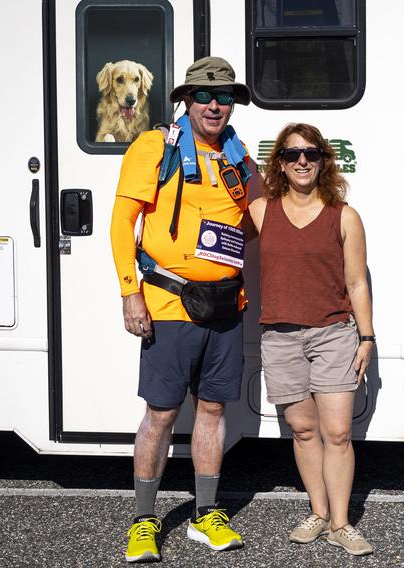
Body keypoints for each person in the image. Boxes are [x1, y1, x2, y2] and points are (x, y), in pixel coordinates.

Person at [110, 56, 255, 563]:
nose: (216, 105)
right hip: (168, 301)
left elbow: (258, 221)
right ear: (185, 101)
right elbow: (120, 222)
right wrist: (130, 292)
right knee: (162, 413)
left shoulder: (239, 157)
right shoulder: (154, 146)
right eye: (204, 96)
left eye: (225, 96)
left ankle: (206, 515)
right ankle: (144, 521)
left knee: (214, 410)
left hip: (226, 304)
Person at [246, 123, 375, 556]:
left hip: (334, 335)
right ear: (279, 162)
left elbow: (357, 283)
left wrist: (367, 337)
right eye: (293, 153)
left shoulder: (345, 216)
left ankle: (341, 523)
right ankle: (318, 513)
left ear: (324, 160)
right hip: (280, 338)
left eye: (312, 153)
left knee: (337, 432)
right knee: (303, 431)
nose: (302, 161)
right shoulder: (262, 211)